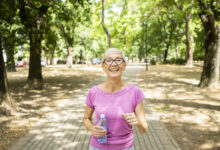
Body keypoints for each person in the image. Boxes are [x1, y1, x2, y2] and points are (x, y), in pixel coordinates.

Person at [83, 48, 148, 150]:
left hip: (125, 147)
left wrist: (138, 122)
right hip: (98, 147)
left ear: (124, 65)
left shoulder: (135, 92)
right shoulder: (94, 92)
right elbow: (86, 118)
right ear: (103, 66)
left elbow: (144, 129)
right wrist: (92, 129)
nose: (113, 64)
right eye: (108, 60)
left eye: (118, 60)